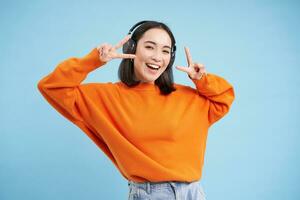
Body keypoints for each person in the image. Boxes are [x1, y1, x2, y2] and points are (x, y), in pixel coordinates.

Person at [37, 20, 235, 200]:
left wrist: (203, 80)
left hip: (194, 193)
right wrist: (94, 60)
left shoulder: (189, 97)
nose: (158, 57)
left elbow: (224, 98)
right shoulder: (107, 97)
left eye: (165, 51)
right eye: (150, 47)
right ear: (132, 49)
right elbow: (52, 86)